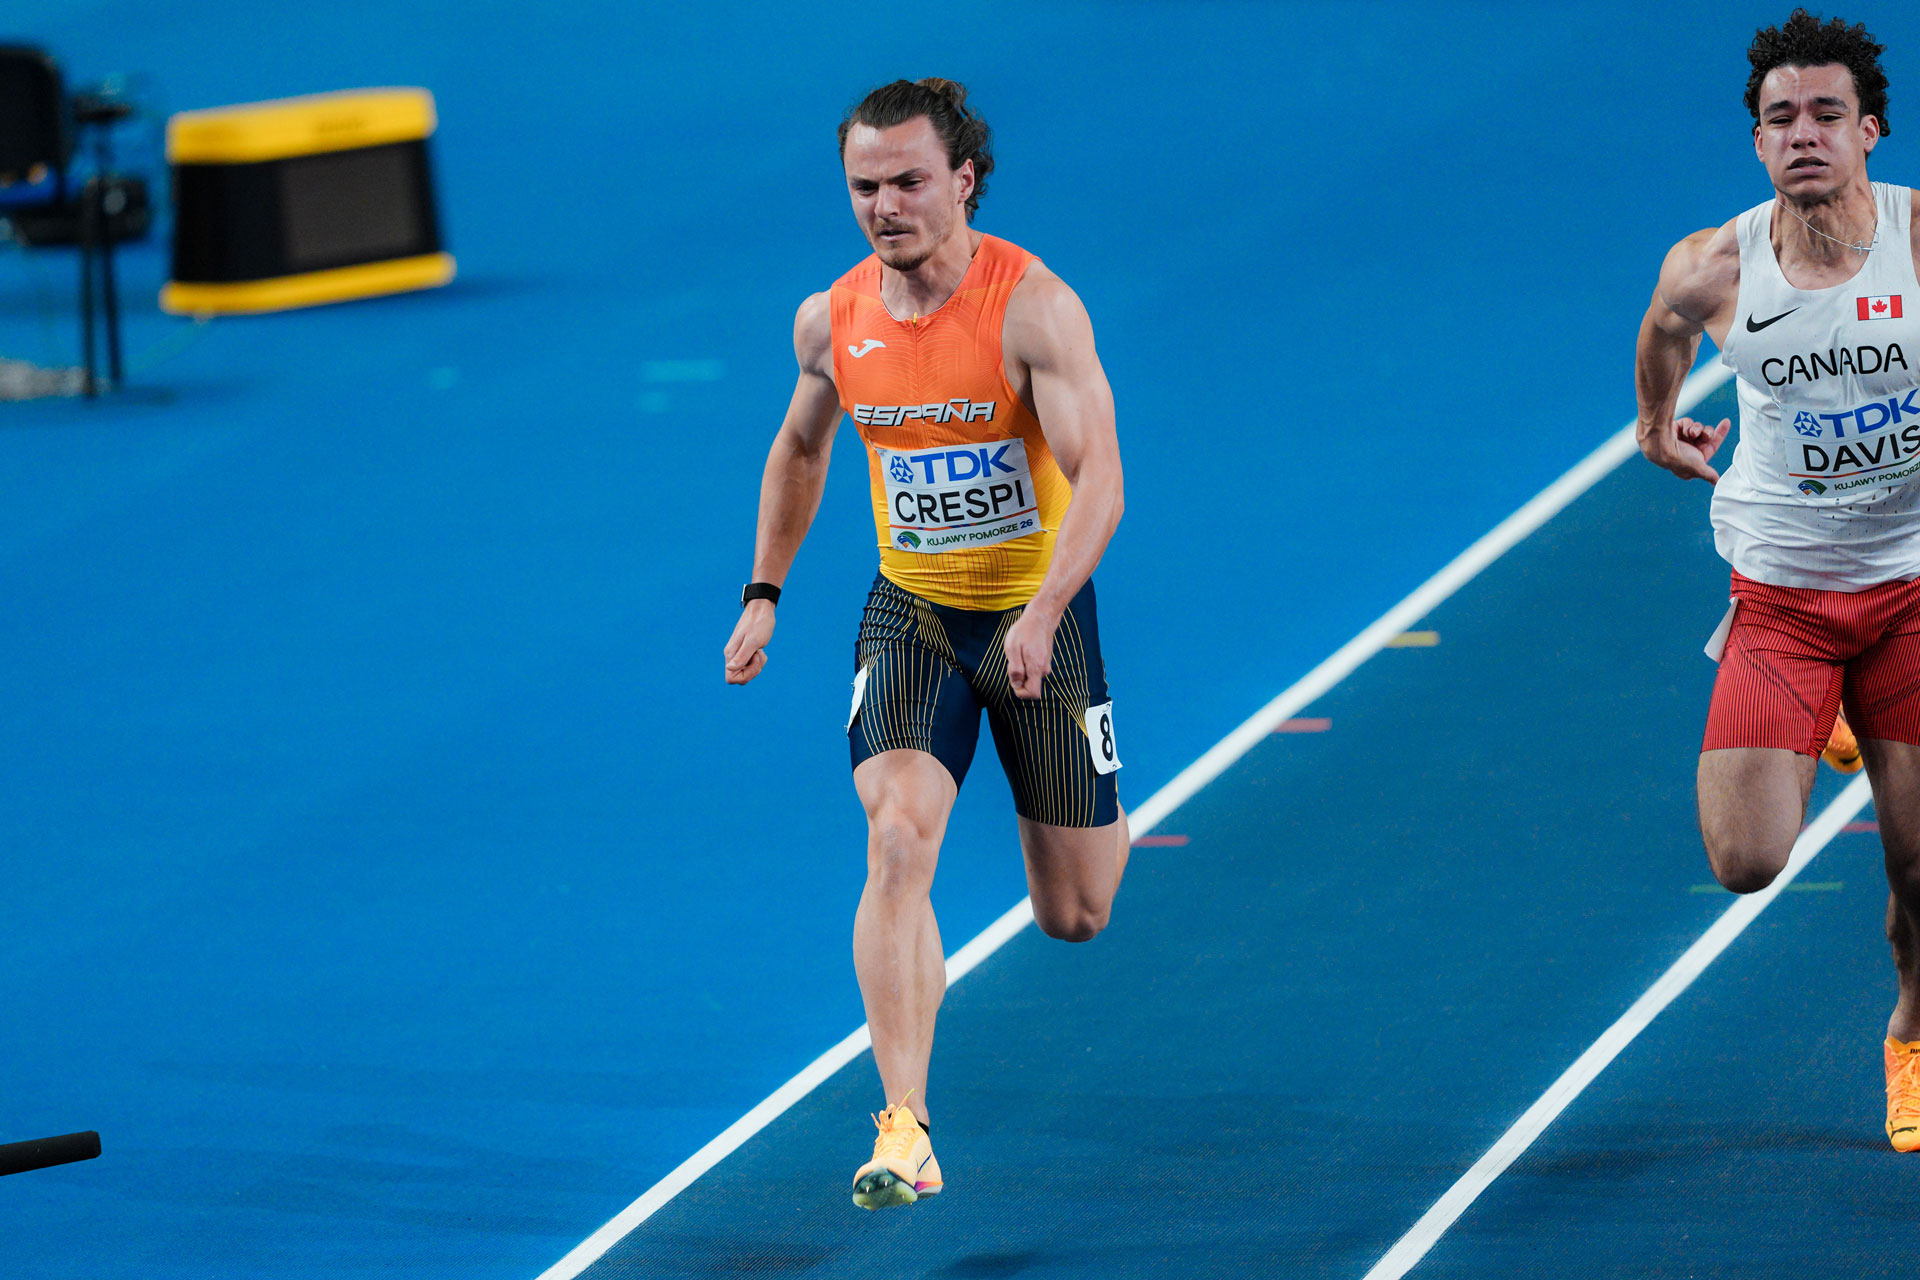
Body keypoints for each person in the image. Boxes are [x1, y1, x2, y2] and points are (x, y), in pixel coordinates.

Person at [722, 78, 1129, 1208]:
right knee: (896, 838)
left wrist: (1046, 611)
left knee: (1076, 913)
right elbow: (802, 448)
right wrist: (764, 591)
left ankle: (1086, 806)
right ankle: (905, 1124)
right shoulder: (832, 319)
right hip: (913, 613)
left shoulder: (1033, 310)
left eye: (908, 182)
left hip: (1038, 613)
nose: (884, 206)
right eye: (864, 186)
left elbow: (1101, 479)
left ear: (964, 180)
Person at [1636, 9, 1920, 1151]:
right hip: (1786, 599)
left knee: (1919, 867)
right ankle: (1830, 713)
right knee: (1745, 861)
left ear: (1870, 131)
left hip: (1910, 593)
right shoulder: (1715, 266)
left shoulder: (1917, 243)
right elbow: (1663, 328)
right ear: (1758, 141)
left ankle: (1912, 1034)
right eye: (1780, 118)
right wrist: (1656, 424)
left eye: (1825, 114)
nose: (1803, 133)